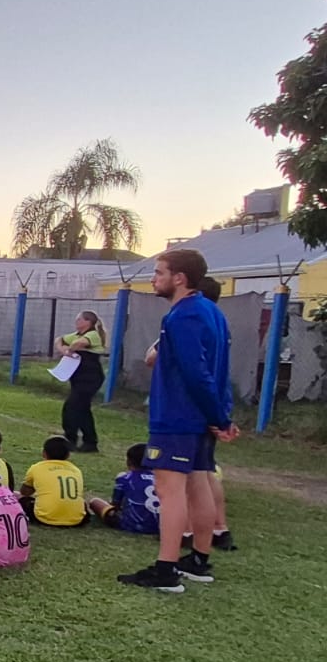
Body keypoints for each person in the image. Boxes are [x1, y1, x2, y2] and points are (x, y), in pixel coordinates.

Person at [118, 249, 237, 593]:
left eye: (159, 272)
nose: (154, 279)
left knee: (170, 491)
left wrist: (218, 416)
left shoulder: (182, 316)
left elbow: (197, 373)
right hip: (198, 418)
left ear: (179, 278)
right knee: (198, 484)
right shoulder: (213, 312)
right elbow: (221, 371)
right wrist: (220, 416)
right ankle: (198, 560)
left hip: (178, 417)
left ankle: (166, 569)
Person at [55, 310, 107, 452]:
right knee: (83, 409)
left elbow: (77, 345)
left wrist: (68, 349)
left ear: (87, 322)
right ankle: (90, 442)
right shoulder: (76, 335)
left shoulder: (92, 335)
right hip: (78, 378)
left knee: (71, 407)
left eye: (79, 320)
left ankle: (70, 439)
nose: (76, 322)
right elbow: (59, 339)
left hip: (90, 378)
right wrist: (63, 350)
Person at [87, 443, 161, 536]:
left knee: (95, 502)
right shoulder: (163, 480)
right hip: (160, 526)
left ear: (129, 461)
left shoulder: (124, 478)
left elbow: (115, 505)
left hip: (131, 525)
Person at [20, 436, 87, 527]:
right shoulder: (76, 470)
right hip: (77, 520)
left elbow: (25, 492)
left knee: (19, 499)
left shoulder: (36, 468)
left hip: (44, 518)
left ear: (44, 453)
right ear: (68, 455)